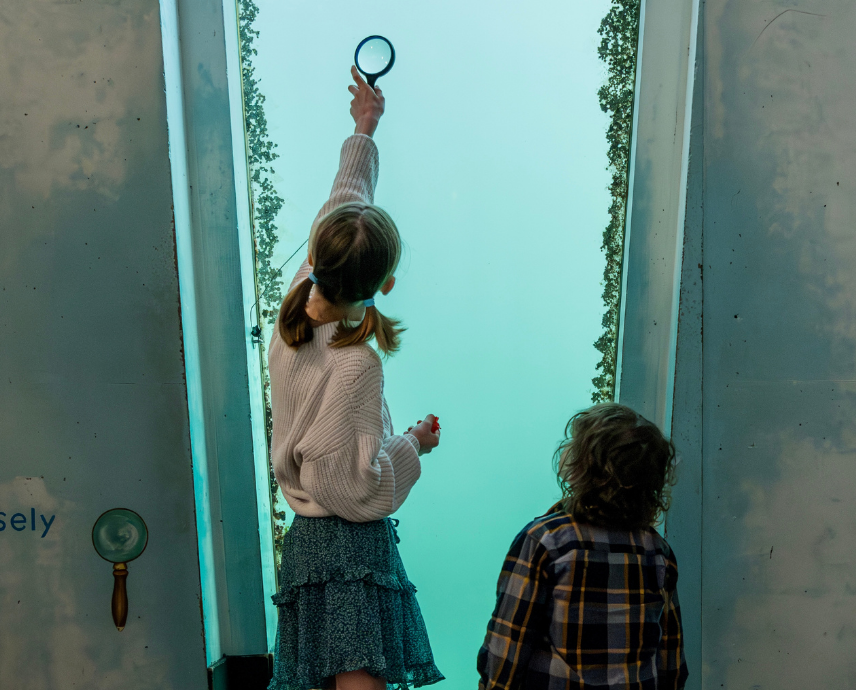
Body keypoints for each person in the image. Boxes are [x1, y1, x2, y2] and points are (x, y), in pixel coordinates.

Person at [265, 66, 445, 690]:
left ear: (315, 257)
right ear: (386, 284)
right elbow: (353, 488)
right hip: (346, 552)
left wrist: (363, 129)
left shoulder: (296, 303)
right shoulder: (356, 365)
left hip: (307, 547)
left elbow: (346, 201)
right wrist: (413, 446)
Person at [478, 403, 686, 690]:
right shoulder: (659, 552)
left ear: (587, 470)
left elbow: (506, 650)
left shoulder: (545, 541)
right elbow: (671, 660)